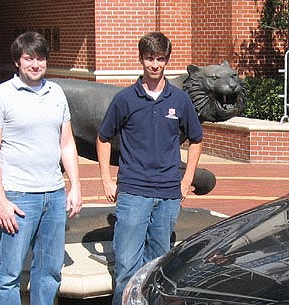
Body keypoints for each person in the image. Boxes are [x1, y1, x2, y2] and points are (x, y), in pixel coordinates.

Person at [96, 31, 203, 305]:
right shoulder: (125, 99)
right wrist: (107, 180)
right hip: (133, 192)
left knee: (158, 267)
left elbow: (196, 139)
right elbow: (103, 137)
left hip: (168, 194)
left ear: (167, 60)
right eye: (149, 58)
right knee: (126, 268)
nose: (154, 64)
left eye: (160, 59)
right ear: (141, 59)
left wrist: (186, 178)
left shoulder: (179, 100)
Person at [0, 31, 82, 305]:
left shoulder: (56, 93)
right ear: (17, 61)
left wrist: (75, 186)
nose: (35, 64)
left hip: (54, 195)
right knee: (8, 274)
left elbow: (67, 143)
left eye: (40, 58)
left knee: (49, 272)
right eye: (29, 58)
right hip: (18, 197)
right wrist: (0, 201)